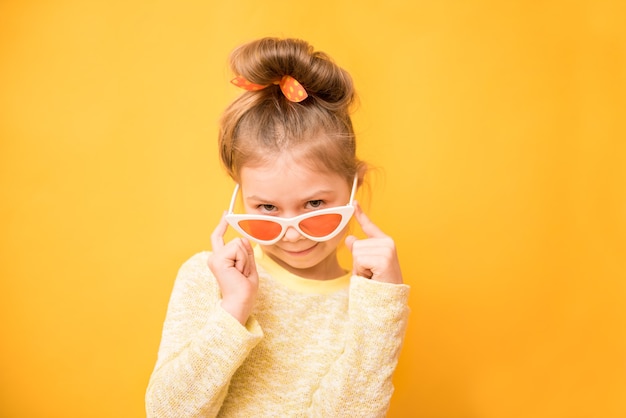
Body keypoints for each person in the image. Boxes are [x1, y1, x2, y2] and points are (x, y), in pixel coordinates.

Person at [145, 37, 410, 418]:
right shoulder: (208, 278)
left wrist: (383, 306)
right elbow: (168, 413)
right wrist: (234, 309)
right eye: (267, 208)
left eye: (314, 205)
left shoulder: (370, 305)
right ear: (241, 197)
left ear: (356, 188)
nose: (291, 231)